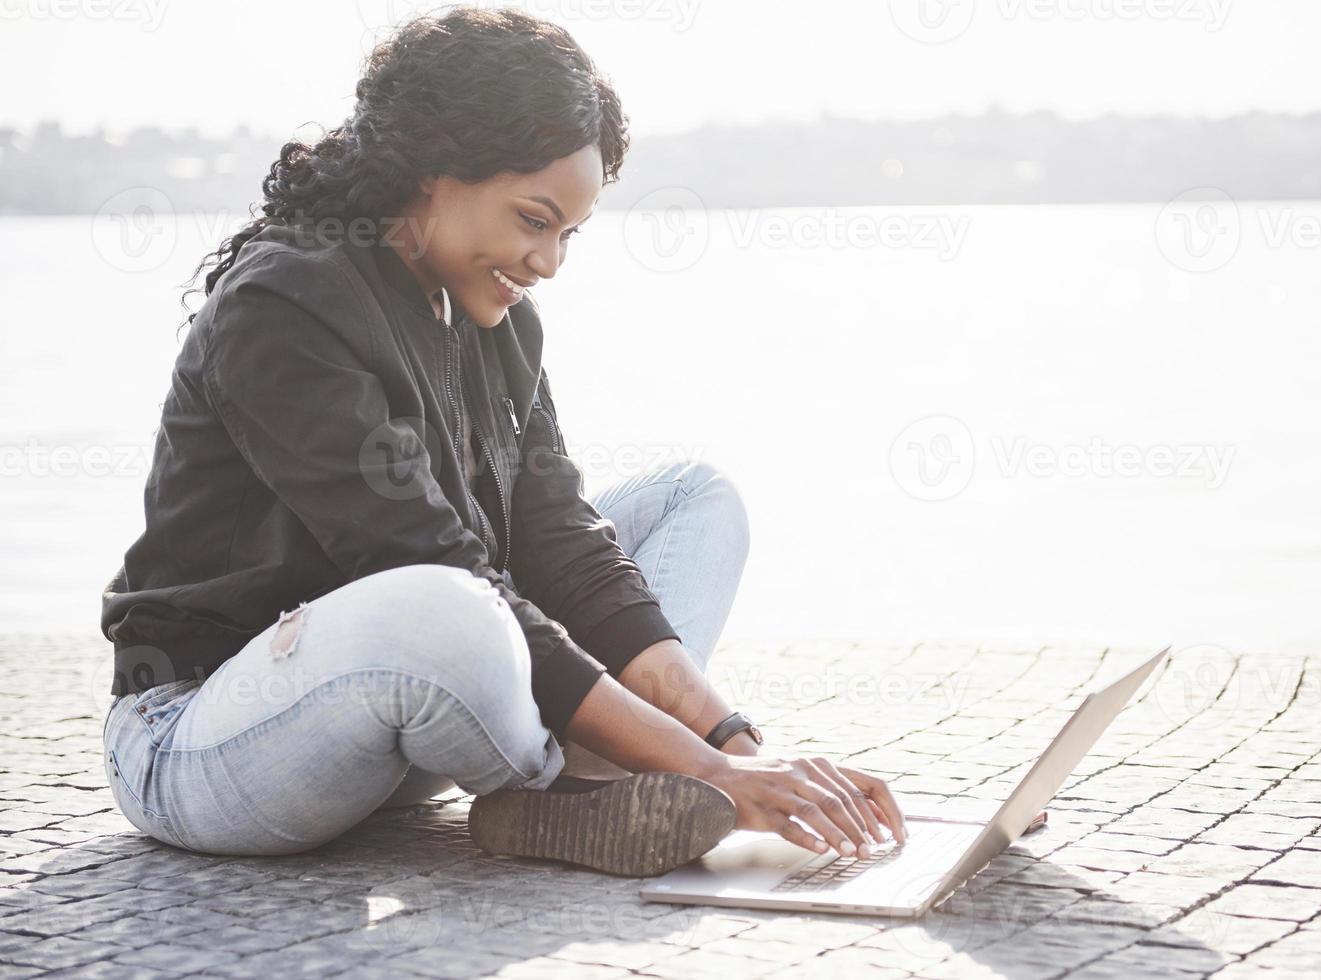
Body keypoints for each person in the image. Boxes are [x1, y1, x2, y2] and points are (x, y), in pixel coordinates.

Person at [99, 5, 906, 876]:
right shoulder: (285, 304)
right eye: (532, 220)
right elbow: (427, 564)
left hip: (418, 722)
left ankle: (577, 779)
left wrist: (735, 749)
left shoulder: (497, 320)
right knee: (448, 600)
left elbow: (565, 548)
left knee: (692, 498)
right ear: (432, 170)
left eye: (566, 234)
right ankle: (565, 783)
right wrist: (707, 771)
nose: (548, 262)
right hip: (208, 740)